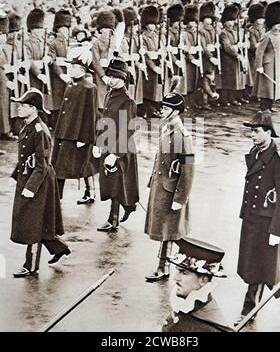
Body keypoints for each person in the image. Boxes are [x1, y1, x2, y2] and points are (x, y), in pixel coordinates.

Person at [236, 110, 280, 322]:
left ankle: (248, 311)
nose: (252, 135)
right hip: (253, 218)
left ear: (268, 132)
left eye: (256, 131)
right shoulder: (254, 152)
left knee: (264, 267)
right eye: (251, 132)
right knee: (255, 265)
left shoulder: (279, 159)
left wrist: (276, 230)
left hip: (268, 222)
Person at [10, 88, 71, 278]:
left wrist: (30, 188)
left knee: (33, 224)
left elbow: (42, 164)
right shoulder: (26, 125)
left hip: (39, 182)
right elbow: (25, 156)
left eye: (24, 106)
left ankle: (31, 265)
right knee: (39, 222)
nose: (19, 109)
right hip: (28, 178)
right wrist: (17, 176)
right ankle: (59, 249)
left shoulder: (40, 131)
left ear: (34, 109)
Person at [145, 93, 194, 281]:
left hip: (172, 190)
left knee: (170, 229)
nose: (162, 110)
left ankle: (163, 267)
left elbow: (188, 169)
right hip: (162, 185)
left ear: (175, 111)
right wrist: (152, 180)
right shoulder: (165, 128)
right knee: (168, 228)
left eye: (166, 108)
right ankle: (173, 263)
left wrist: (181, 198)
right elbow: (160, 159)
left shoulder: (182, 135)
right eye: (163, 107)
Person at [51, 42, 98, 203]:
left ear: (82, 70)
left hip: (76, 135)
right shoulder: (71, 84)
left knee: (83, 164)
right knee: (58, 166)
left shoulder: (89, 87)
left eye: (73, 66)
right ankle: (56, 196)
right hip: (63, 131)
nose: (69, 69)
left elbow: (90, 116)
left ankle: (90, 191)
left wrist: (85, 138)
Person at [97, 58, 139, 232]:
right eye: (110, 76)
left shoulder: (127, 100)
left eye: (116, 77)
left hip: (121, 148)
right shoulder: (110, 94)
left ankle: (113, 220)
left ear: (123, 79)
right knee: (111, 181)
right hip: (107, 143)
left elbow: (128, 130)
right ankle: (129, 206)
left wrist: (116, 154)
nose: (112, 80)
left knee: (115, 182)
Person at [162, 237, 230, 332]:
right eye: (178, 271)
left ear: (203, 280)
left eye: (184, 273)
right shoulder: (186, 305)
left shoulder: (210, 326)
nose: (176, 278)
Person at [255, 1, 280, 112]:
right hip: (267, 64)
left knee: (274, 85)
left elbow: (277, 48)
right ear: (272, 24)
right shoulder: (267, 36)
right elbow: (259, 51)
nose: (278, 27)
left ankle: (270, 106)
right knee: (266, 87)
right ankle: (264, 107)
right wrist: (259, 65)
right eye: (277, 24)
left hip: (276, 62)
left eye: (279, 24)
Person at [48, 9, 72, 130]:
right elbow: (52, 61)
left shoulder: (69, 43)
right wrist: (61, 74)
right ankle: (55, 123)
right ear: (59, 29)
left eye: (67, 28)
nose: (67, 31)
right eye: (64, 28)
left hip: (68, 71)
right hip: (58, 75)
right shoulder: (53, 43)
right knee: (57, 99)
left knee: (66, 98)